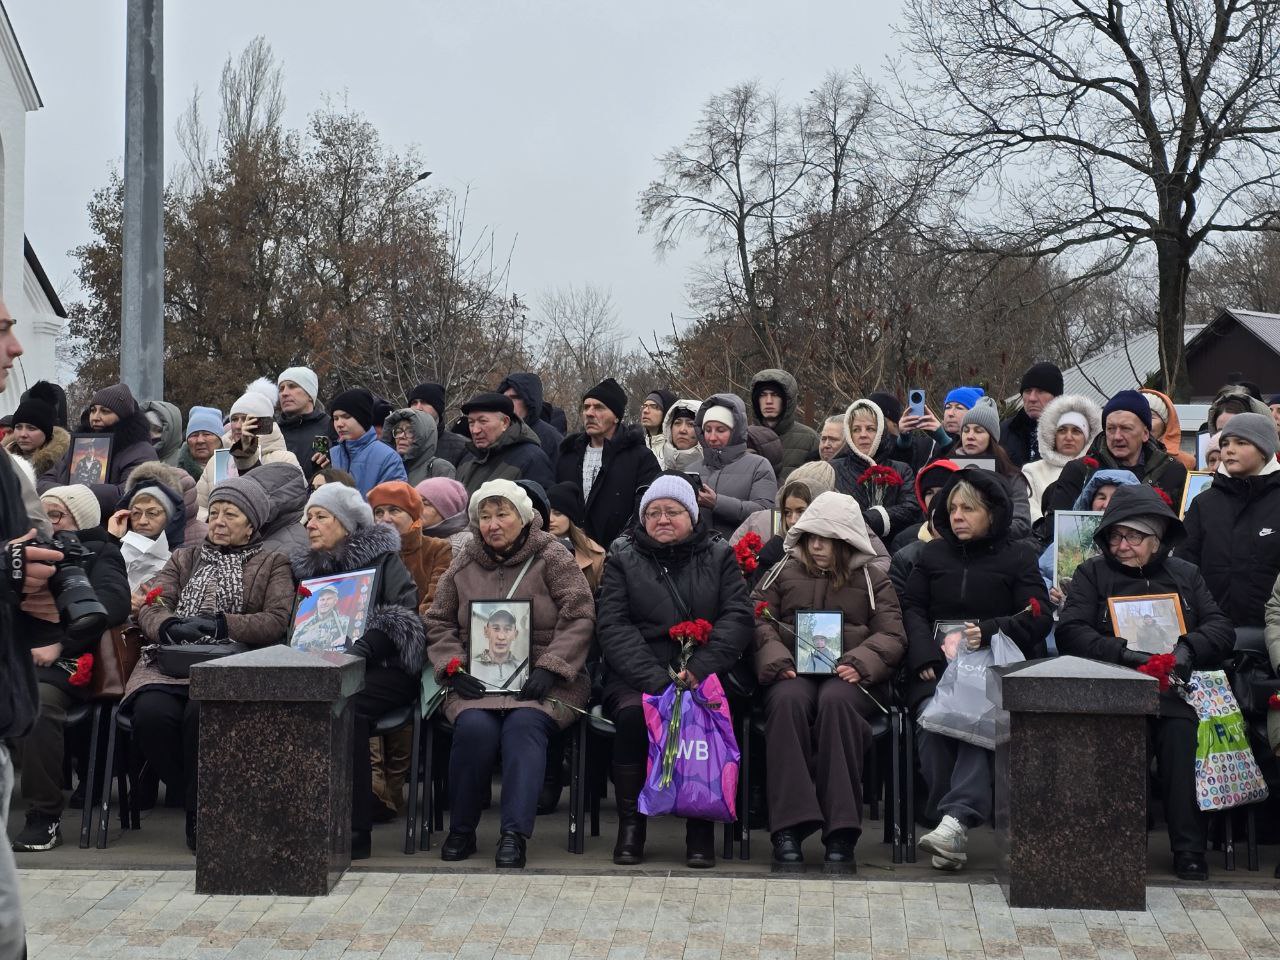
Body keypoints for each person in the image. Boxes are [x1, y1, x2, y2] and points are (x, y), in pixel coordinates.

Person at [1057, 484, 1233, 881]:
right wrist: (1122, 652)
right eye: (1115, 536)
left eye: (1133, 536)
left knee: (1180, 739)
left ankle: (1189, 848)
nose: (1122, 545)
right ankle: (1119, 843)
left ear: (1156, 540)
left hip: (1174, 691)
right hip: (1114, 687)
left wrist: (1190, 647)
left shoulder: (1185, 574)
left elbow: (1221, 627)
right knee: (1122, 738)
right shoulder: (1092, 573)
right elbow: (1071, 630)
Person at [425, 479, 594, 868]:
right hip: (477, 680)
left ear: (523, 517)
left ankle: (514, 835)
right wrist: (452, 668)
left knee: (524, 728)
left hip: (544, 680)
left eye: (502, 514)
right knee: (474, 729)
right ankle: (462, 830)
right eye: (484, 516)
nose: (493, 524)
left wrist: (550, 667)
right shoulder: (464, 562)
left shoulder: (552, 556)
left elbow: (580, 614)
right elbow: (438, 622)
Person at [128, 475, 297, 850]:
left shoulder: (272, 562)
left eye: (231, 515)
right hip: (171, 659)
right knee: (150, 715)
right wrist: (168, 625)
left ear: (251, 523)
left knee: (200, 716)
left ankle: (200, 810)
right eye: (215, 512)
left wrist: (223, 623)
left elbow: (276, 620)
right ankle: (195, 793)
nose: (218, 521)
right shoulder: (184, 556)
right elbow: (154, 601)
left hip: (231, 663)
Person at [595, 474, 754, 868]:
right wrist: (655, 680)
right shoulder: (622, 553)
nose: (662, 519)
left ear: (693, 515)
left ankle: (700, 827)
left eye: (673, 511)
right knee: (633, 716)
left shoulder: (719, 554)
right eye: (653, 512)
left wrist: (700, 669)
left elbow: (737, 617)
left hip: (703, 670)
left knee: (703, 715)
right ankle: (632, 825)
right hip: (640, 674)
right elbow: (612, 624)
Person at [902, 471, 1052, 871]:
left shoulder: (1018, 556)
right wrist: (924, 657)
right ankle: (949, 820)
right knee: (929, 724)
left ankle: (955, 820)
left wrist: (988, 631)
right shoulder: (931, 555)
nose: (957, 516)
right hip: (936, 668)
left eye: (968, 508)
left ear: (993, 513)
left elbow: (1038, 616)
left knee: (973, 722)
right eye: (952, 508)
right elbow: (911, 610)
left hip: (994, 671)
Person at [751, 491, 907, 870]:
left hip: (849, 677)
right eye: (810, 536)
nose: (816, 545)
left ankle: (841, 830)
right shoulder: (782, 571)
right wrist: (777, 658)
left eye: (826, 538)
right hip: (793, 671)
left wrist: (859, 662)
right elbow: (755, 618)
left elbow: (892, 635)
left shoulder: (873, 579)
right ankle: (788, 826)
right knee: (787, 702)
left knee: (836, 704)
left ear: (846, 539)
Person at [292, 481, 426, 859]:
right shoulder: (308, 571)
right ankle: (302, 817)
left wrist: (362, 649)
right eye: (307, 517)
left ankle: (354, 828)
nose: (309, 524)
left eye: (320, 516)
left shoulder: (384, 561)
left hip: (384, 667)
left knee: (344, 706)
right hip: (322, 666)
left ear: (347, 524)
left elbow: (403, 613)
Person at [11, 486, 130, 853]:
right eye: (42, 514)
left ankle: (45, 814)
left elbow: (114, 604)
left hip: (66, 661)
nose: (47, 523)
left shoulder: (100, 553)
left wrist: (62, 642)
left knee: (38, 705)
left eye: (57, 515)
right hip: (14, 655)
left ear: (82, 520)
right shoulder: (22, 551)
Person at [0, 306, 63, 956]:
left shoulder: (5, 472)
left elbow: (29, 561)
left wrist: (36, 587)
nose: (16, 349)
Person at [1180, 414, 1280, 631]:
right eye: (1225, 443)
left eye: (1241, 442)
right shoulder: (1204, 503)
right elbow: (1184, 567)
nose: (1229, 450)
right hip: (1212, 633)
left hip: (1272, 634)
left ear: (1264, 450)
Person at [1047, 390, 1189, 517]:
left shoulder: (1172, 472)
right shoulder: (1080, 470)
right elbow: (1055, 527)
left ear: (1145, 433)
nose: (1117, 436)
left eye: (1126, 428)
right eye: (1111, 429)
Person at [556, 378, 660, 549]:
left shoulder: (640, 458)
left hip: (621, 556)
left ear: (616, 417)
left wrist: (623, 546)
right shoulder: (568, 455)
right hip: (569, 555)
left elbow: (647, 509)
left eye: (598, 407)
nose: (589, 413)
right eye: (586, 407)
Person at [39, 381, 159, 518]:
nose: (95, 417)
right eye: (92, 410)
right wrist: (69, 492)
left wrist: (72, 493)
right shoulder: (78, 446)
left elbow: (130, 494)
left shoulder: (141, 451)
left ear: (122, 416)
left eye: (105, 411)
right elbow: (43, 482)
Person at [831, 398, 920, 544]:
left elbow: (912, 508)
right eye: (856, 429)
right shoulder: (833, 469)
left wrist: (877, 517)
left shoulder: (902, 469)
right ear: (849, 433)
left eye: (870, 428)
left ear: (881, 432)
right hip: (844, 547)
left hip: (891, 548)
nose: (863, 434)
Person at [695, 393, 778, 538]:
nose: (712, 437)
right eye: (708, 430)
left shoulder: (759, 466)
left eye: (721, 430)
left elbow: (767, 514)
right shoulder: (692, 469)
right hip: (696, 557)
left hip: (742, 556)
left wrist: (717, 503)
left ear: (735, 432)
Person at [954, 397, 1033, 539]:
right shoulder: (947, 468)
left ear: (992, 438)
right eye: (966, 431)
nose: (970, 436)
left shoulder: (1011, 476)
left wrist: (984, 531)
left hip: (998, 549)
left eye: (978, 431)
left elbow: (1022, 523)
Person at [369, 481, 453, 611]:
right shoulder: (368, 555)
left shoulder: (437, 549)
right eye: (379, 512)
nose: (385, 518)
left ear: (413, 516)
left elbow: (436, 603)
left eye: (394, 510)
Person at [1021, 394, 1102, 523]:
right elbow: (1027, 508)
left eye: (1076, 431)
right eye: (1062, 430)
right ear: (1053, 434)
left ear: (1087, 437)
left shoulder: (1097, 469)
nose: (1068, 437)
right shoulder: (1032, 471)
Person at [456, 392, 556, 495]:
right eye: (471, 423)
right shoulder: (469, 457)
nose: (475, 430)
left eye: (483, 421)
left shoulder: (532, 459)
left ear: (505, 423)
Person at [888, 460, 961, 592]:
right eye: (929, 493)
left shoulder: (973, 539)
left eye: (943, 491)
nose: (935, 498)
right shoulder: (904, 540)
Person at [321, 388, 409, 495]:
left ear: (362, 418)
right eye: (335, 418)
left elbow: (394, 502)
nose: (339, 424)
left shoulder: (388, 457)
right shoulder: (332, 454)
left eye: (346, 417)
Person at [750, 369, 819, 478]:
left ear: (787, 400)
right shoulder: (746, 438)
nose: (768, 401)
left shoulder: (810, 439)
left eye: (775, 395)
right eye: (763, 395)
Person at [276, 366, 335, 480]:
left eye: (292, 386)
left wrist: (329, 470)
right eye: (281, 388)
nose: (284, 393)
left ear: (309, 394)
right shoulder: (274, 432)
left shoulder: (331, 427)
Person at [547, 481, 606, 592]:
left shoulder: (595, 554)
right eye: (547, 512)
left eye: (557, 513)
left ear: (571, 517)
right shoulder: (531, 546)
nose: (550, 519)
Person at [1000, 361, 1063, 466]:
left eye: (1041, 391)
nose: (1032, 398)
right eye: (1028, 391)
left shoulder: (1072, 432)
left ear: (1056, 397)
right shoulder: (1003, 432)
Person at [498, 372, 564, 466]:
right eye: (504, 398)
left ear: (528, 401)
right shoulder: (495, 433)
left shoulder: (552, 439)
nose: (508, 403)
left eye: (514, 398)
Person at [381, 407, 456, 484]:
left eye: (410, 431)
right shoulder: (386, 467)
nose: (401, 436)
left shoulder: (440, 468)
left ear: (425, 435)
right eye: (398, 431)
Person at [2, 397, 68, 478]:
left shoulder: (64, 461)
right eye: (18, 427)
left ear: (46, 433)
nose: (23, 434)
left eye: (31, 428)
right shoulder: (6, 459)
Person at [408, 381, 467, 467]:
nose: (418, 408)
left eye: (424, 402)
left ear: (438, 408)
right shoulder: (400, 441)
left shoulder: (460, 447)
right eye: (414, 403)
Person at [1141, 388, 1195, 470]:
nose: (1144, 422)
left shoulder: (1186, 463)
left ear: (1165, 425)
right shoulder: (1118, 458)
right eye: (1139, 417)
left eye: (1150, 417)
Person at [416, 476, 473, 551]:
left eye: (425, 503)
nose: (415, 507)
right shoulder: (410, 534)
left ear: (447, 511)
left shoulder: (459, 546)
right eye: (415, 501)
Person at [175, 406, 224, 481]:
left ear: (220, 439)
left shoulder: (233, 469)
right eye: (194, 435)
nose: (200, 440)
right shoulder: (174, 471)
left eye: (207, 434)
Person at [658, 398, 703, 472]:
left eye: (691, 424)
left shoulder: (714, 472)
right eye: (677, 423)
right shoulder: (656, 467)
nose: (682, 430)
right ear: (669, 429)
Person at [142, 399, 186, 466]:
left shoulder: (184, 463)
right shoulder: (131, 459)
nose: (150, 435)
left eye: (158, 430)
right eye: (145, 429)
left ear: (173, 432)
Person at [640, 389, 677, 457]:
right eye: (645, 406)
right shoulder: (638, 449)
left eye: (654, 406)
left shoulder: (677, 452)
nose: (645, 411)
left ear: (667, 413)